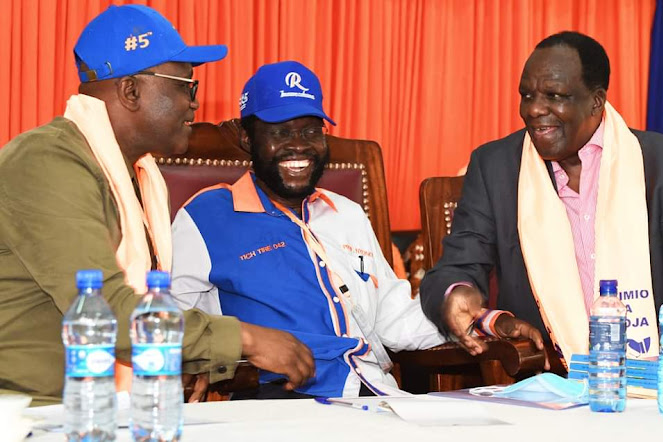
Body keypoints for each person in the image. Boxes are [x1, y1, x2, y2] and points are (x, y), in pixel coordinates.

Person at [170, 60, 543, 398]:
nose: (299, 146)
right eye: (280, 133)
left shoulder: (346, 214)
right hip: (280, 402)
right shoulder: (205, 217)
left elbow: (393, 318)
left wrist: (487, 320)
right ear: (247, 138)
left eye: (311, 131)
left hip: (375, 398)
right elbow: (174, 324)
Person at [0, 5, 313, 406]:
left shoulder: (138, 174)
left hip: (102, 408)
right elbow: (104, 313)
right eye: (185, 86)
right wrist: (246, 338)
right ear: (131, 91)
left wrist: (186, 361)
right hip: (32, 412)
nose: (194, 104)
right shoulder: (47, 162)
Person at [420, 31, 663, 366]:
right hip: (550, 382)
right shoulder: (496, 168)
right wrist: (455, 294)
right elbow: (453, 271)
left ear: (596, 101)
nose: (534, 109)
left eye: (554, 95)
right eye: (527, 95)